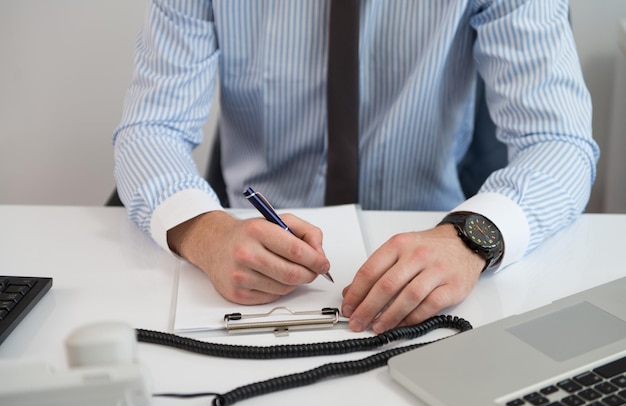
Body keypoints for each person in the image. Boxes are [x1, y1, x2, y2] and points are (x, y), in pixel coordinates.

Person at [112, 0, 599, 334]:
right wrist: (204, 231)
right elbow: (150, 129)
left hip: (430, 250)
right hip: (248, 265)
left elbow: (559, 140)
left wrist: (471, 238)